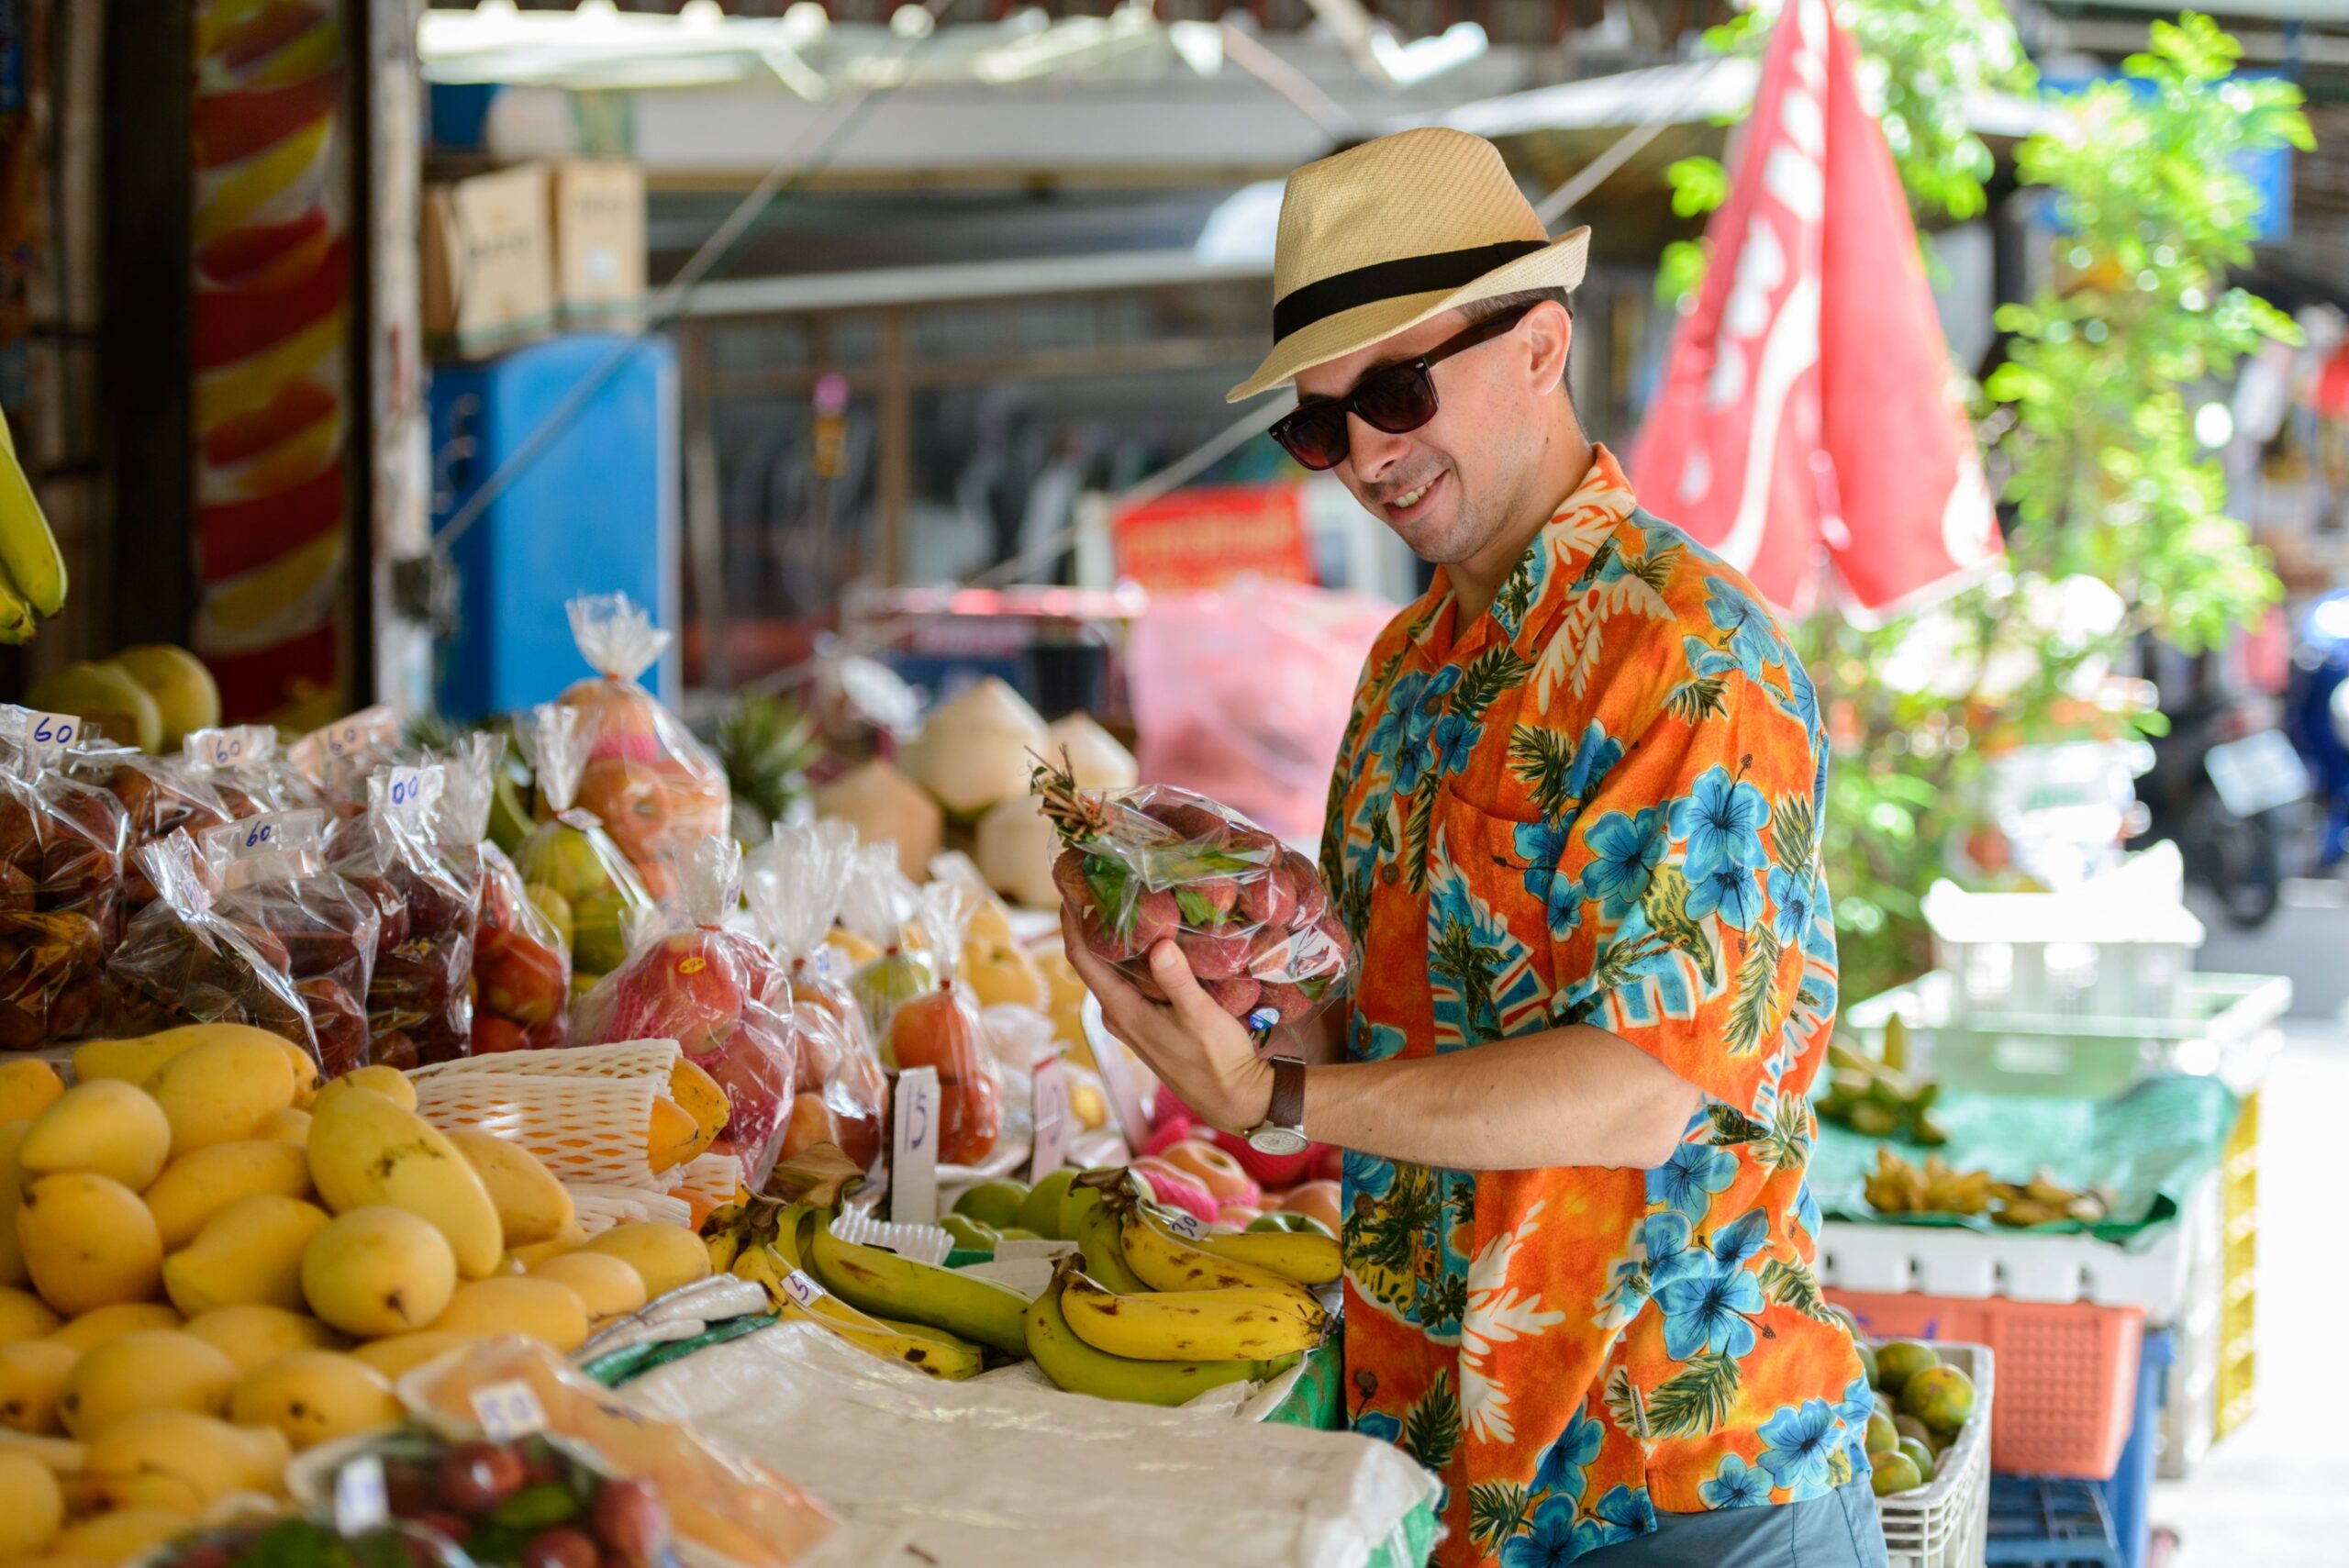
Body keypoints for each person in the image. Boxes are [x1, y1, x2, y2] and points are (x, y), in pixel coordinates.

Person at [1060, 128, 1886, 1567]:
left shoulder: (1688, 655)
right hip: (1452, 1475)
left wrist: (1285, 1091)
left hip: (1682, 1485)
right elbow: (1377, 1038)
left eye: (1393, 389)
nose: (1367, 455)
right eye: (1321, 425)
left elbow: (1645, 1086)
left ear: (1541, 345)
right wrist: (1210, 977)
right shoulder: (1404, 669)